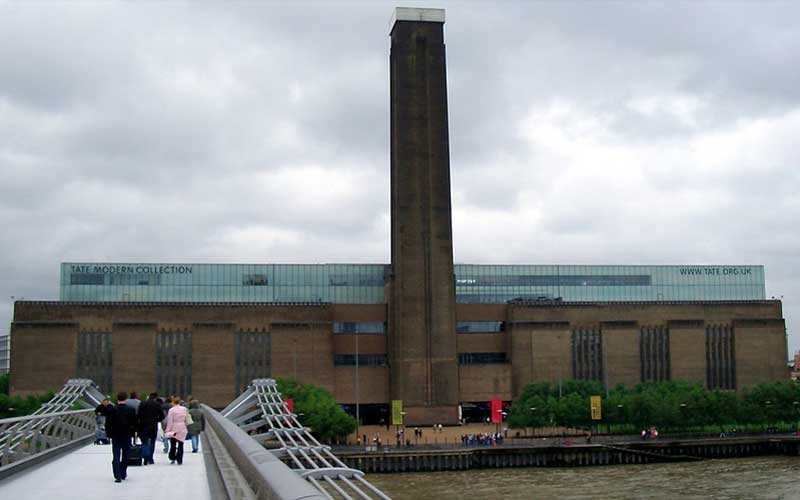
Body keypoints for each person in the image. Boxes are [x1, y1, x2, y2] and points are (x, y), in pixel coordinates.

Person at [105, 392, 137, 483]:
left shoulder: (111, 410)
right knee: (126, 455)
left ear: (117, 399)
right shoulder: (131, 409)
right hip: (127, 434)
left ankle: (117, 475)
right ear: (126, 399)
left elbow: (108, 424)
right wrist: (134, 433)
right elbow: (134, 423)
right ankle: (123, 472)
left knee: (116, 455)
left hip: (115, 435)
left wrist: (108, 434)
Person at [138, 392, 165, 465]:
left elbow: (138, 414)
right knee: (152, 442)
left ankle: (145, 454)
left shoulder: (142, 404)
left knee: (144, 441)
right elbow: (162, 416)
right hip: (153, 425)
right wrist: (157, 419)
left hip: (143, 425)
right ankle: (150, 458)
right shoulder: (157, 404)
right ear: (155, 398)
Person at [164, 396, 189, 465]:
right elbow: (187, 419)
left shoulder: (171, 410)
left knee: (173, 444)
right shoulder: (184, 409)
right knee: (181, 444)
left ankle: (172, 457)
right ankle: (179, 459)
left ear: (173, 402)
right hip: (182, 427)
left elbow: (170, 421)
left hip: (174, 428)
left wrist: (167, 430)